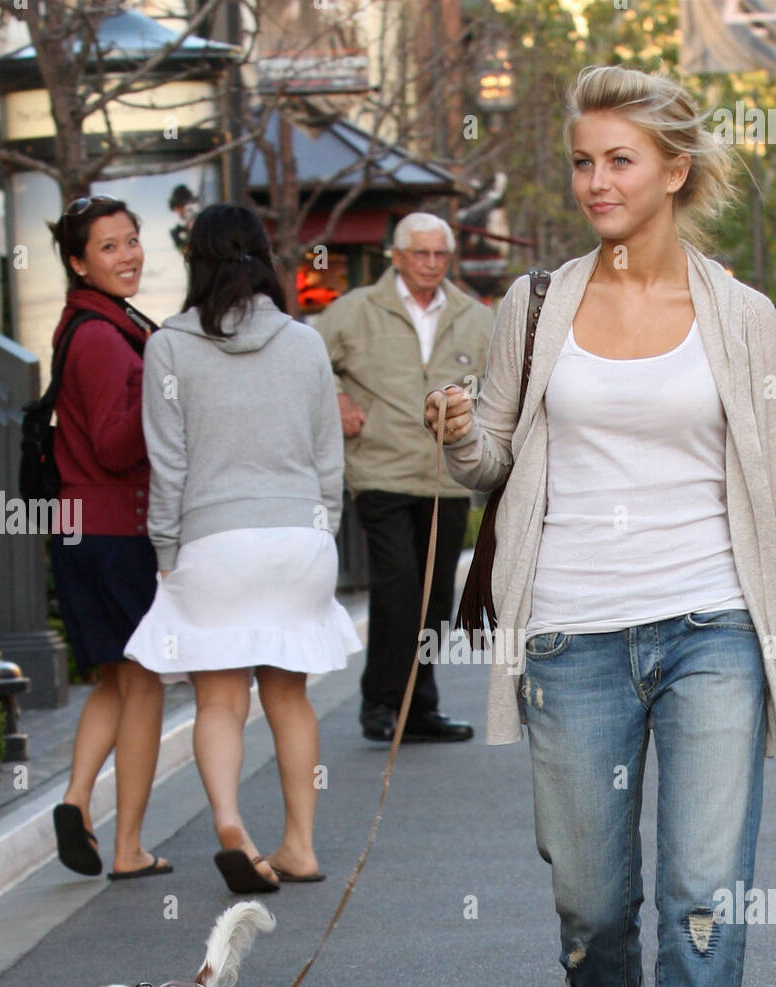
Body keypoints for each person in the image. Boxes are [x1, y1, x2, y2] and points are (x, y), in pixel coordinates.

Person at [425, 64, 776, 987]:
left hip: (712, 622)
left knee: (706, 885)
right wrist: (459, 433)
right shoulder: (536, 303)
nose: (596, 180)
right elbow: (491, 466)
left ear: (672, 170)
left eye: (619, 159)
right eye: (582, 160)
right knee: (590, 895)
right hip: (571, 630)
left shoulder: (740, 316)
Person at [124, 203, 361, 894]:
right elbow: (328, 458)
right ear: (265, 257)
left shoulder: (168, 345)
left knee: (220, 700)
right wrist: (324, 531)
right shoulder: (304, 342)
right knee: (288, 696)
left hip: (214, 537)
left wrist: (166, 547)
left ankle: (230, 823)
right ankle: (301, 846)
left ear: (196, 259)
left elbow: (168, 462)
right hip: (298, 538)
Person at [313, 213, 495, 743]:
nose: (432, 265)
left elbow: (503, 384)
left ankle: (419, 710)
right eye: (421, 254)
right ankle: (380, 703)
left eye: (441, 255)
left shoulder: (475, 318)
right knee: (398, 586)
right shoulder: (352, 312)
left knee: (437, 596)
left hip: (445, 475)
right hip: (381, 470)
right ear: (396, 256)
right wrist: (338, 396)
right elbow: (307, 363)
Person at [46, 195, 171, 882]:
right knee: (145, 681)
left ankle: (74, 801)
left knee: (114, 680)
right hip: (112, 529)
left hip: (84, 527)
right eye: (109, 247)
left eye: (131, 241)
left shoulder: (98, 323)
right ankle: (127, 849)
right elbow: (115, 445)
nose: (127, 257)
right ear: (76, 260)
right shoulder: (98, 337)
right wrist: (160, 379)